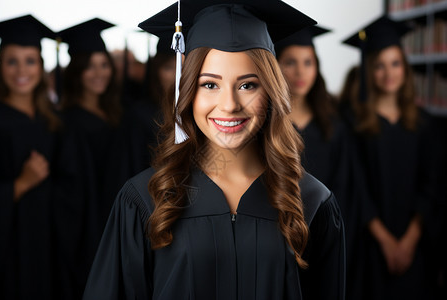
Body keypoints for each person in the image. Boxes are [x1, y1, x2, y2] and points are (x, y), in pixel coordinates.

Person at [83, 0, 345, 299]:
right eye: (210, 85)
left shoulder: (312, 202)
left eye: (248, 85)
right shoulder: (145, 199)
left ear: (271, 93)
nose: (230, 105)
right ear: (188, 92)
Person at [343, 15, 439, 300]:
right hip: (371, 244)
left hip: (415, 244)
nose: (389, 73)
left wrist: (408, 241)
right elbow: (356, 186)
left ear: (405, 68)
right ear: (368, 71)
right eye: (379, 66)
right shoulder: (353, 124)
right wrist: (386, 241)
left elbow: (431, 186)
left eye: (395, 63)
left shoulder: (424, 124)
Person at [275, 26, 366, 300]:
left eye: (308, 62)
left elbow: (343, 189)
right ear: (274, 67)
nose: (301, 72)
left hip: (323, 237)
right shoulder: (266, 128)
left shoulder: (333, 126)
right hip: (277, 238)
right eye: (290, 62)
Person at [0, 14, 78, 300]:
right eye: (11, 61)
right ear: (0, 66)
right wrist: (20, 184)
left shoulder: (54, 122)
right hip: (8, 248)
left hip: (49, 242)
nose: (22, 70)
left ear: (41, 66)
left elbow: (73, 185)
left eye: (30, 61)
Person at [58, 18, 126, 299]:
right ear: (76, 72)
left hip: (121, 218)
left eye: (103, 64)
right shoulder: (68, 123)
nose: (98, 73)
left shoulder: (119, 114)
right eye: (89, 66)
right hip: (91, 228)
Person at [121, 36, 176, 176]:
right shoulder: (140, 115)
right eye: (169, 67)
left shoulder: (200, 112)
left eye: (184, 65)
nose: (178, 75)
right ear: (156, 71)